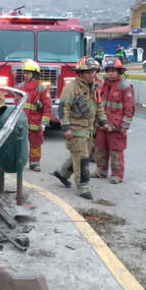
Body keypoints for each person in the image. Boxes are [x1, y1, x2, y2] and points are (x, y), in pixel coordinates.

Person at [52, 57, 110, 200]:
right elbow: (63, 109)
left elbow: (99, 107)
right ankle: (83, 187)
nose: (92, 75)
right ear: (81, 73)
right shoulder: (71, 88)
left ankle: (62, 173)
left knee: (78, 154)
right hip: (75, 128)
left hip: (88, 129)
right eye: (89, 72)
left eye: (94, 72)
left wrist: (103, 122)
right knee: (83, 158)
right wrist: (66, 128)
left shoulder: (94, 88)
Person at [90, 58, 135, 184]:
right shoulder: (103, 85)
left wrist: (124, 126)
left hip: (116, 126)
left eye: (113, 70)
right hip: (102, 124)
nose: (110, 73)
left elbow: (129, 108)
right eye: (108, 70)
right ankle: (101, 171)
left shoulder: (125, 87)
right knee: (100, 149)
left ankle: (117, 175)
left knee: (116, 151)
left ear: (119, 71)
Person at [16, 59, 52, 171]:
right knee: (19, 142)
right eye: (25, 73)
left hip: (35, 121)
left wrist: (44, 123)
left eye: (28, 73)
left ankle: (34, 163)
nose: (25, 75)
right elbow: (16, 103)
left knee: (35, 142)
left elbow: (47, 106)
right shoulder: (20, 86)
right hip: (22, 119)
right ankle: (18, 161)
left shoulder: (41, 88)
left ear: (35, 74)